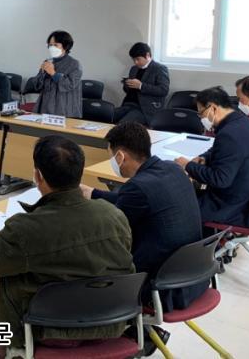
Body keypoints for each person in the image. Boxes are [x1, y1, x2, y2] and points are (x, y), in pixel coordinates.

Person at [0, 135, 134, 354]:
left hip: (49, 330)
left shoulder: (26, 228)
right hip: (110, 322)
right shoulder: (114, 215)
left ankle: (15, 354)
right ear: (79, 173)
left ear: (38, 176)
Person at [81, 122, 207, 313]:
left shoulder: (137, 187)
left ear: (121, 156)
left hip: (157, 286)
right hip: (190, 275)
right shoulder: (172, 169)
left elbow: (112, 233)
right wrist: (93, 193)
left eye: (111, 157)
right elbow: (134, 200)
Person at [175, 87, 249, 228]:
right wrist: (204, 157)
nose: (201, 118)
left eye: (201, 113)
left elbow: (220, 180)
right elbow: (223, 150)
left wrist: (187, 165)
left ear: (213, 108)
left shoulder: (229, 134)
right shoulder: (246, 123)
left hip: (237, 206)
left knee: (177, 208)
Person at [27, 31, 82, 117]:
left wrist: (53, 73)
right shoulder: (48, 61)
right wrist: (42, 73)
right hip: (45, 106)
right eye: (50, 45)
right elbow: (37, 85)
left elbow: (69, 85)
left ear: (65, 46)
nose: (52, 48)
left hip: (64, 108)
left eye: (55, 45)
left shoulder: (74, 64)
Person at [114, 43, 170, 125]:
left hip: (145, 109)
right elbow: (128, 91)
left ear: (147, 55)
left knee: (123, 125)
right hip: (128, 105)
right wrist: (127, 85)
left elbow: (163, 90)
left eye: (138, 59)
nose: (135, 62)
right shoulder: (134, 69)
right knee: (106, 116)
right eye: (133, 60)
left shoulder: (159, 68)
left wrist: (141, 86)